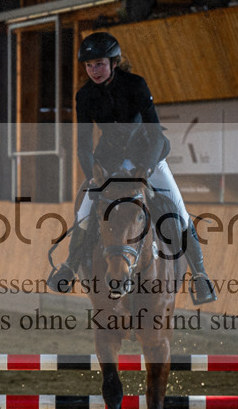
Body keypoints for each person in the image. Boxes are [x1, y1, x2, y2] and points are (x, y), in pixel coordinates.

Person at [47, 32, 216, 305]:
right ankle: (68, 266)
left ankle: (200, 276)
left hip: (148, 158)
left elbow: (156, 134)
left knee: (179, 212)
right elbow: (82, 144)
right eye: (89, 66)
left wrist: (144, 169)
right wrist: (93, 177)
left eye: (99, 64)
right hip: (109, 164)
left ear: (114, 62)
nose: (94, 71)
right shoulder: (85, 95)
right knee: (85, 214)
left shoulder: (135, 84)